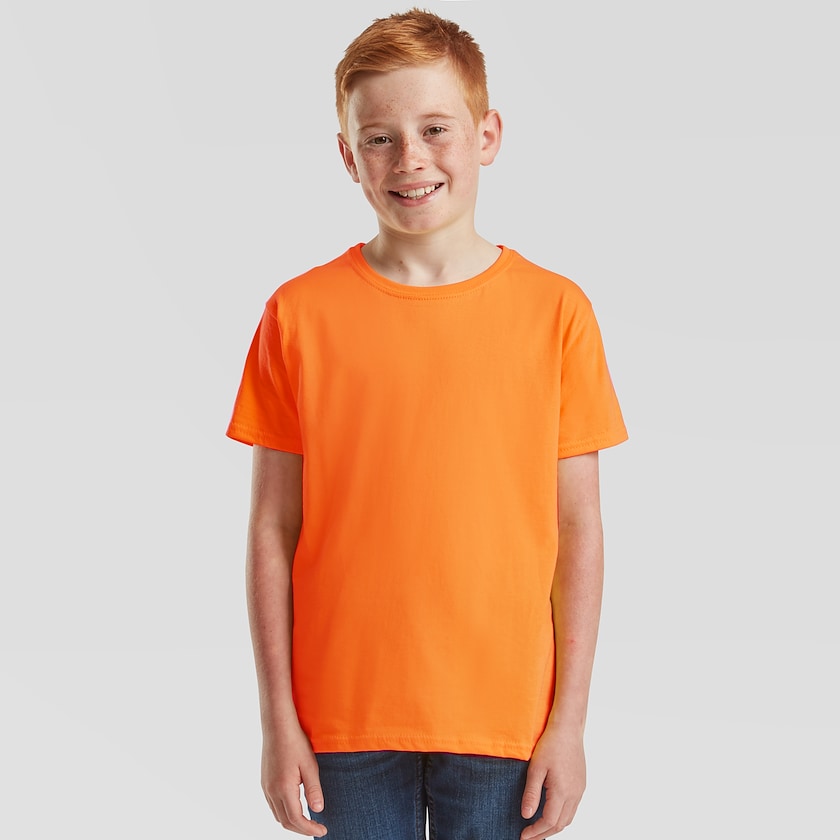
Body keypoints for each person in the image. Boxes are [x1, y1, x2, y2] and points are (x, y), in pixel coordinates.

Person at [226, 8, 627, 839]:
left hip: (505, 724)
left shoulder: (556, 313)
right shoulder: (297, 316)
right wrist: (276, 721)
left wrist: (570, 723)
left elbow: (578, 527)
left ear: (487, 135)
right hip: (340, 720)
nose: (409, 158)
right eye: (379, 138)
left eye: (435, 129)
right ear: (348, 156)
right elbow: (272, 527)